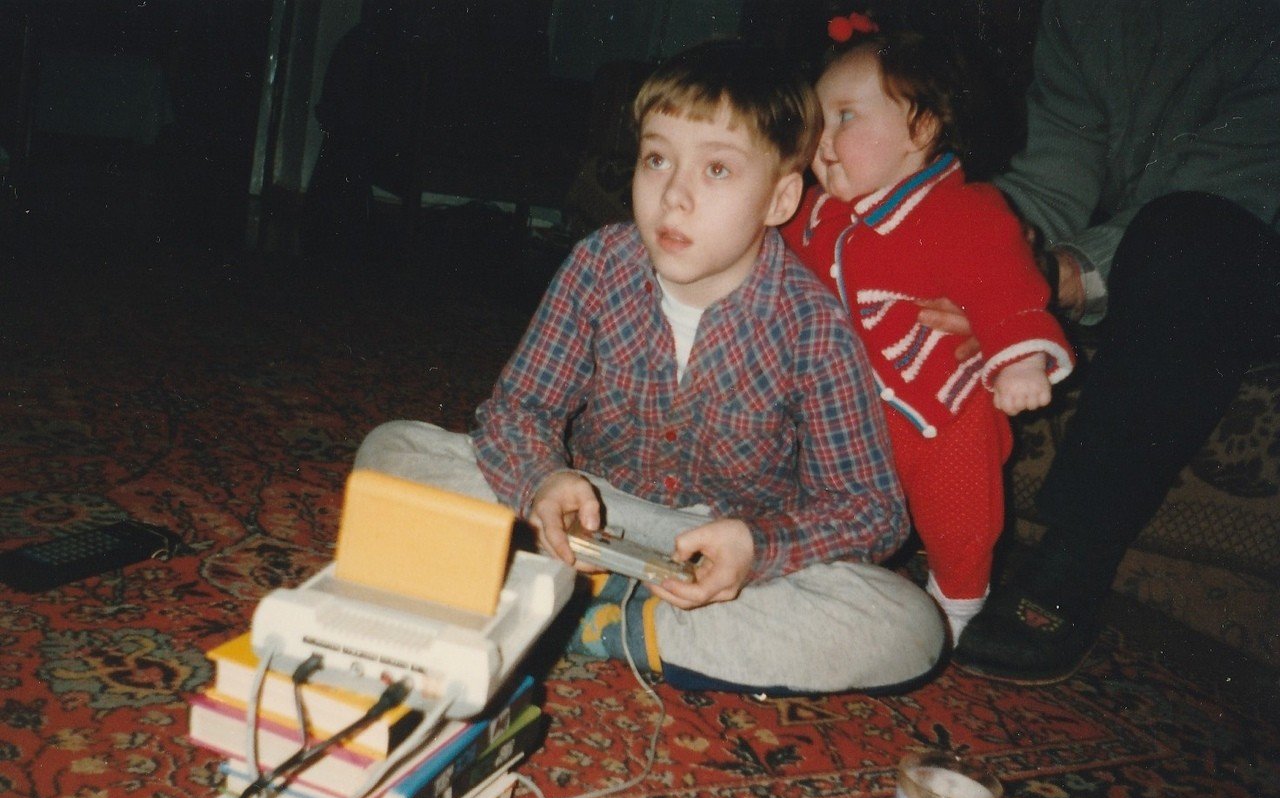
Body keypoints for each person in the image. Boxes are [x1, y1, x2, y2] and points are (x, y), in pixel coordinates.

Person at [354, 39, 947, 694]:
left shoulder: (813, 326)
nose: (674, 196)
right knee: (391, 452)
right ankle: (576, 589)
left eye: (716, 170)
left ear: (780, 200)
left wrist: (757, 546)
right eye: (657, 159)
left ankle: (608, 622)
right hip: (590, 510)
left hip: (717, 553)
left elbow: (871, 508)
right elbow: (518, 411)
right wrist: (543, 482)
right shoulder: (599, 265)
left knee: (911, 625)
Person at [925, 0, 1280, 683]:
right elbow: (1053, 176)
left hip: (1242, 251)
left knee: (1188, 240)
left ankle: (1073, 557)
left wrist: (1056, 276)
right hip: (1136, 255)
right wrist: (972, 239)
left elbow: (1225, 194)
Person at [781, 17, 1075, 643]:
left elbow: (1005, 282)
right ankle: (823, 574)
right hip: (845, 409)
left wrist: (1020, 359)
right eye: (817, 122)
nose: (822, 141)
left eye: (846, 117)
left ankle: (957, 603)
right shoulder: (812, 214)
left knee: (959, 510)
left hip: (939, 409)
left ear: (921, 127)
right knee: (816, 490)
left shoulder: (963, 210)